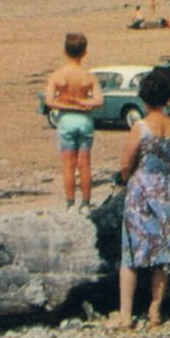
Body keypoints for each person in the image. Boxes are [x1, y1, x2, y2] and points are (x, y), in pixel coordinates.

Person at [114, 69, 170, 329]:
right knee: (162, 250)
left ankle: (125, 315)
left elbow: (126, 163)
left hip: (142, 188)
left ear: (144, 98)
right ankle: (155, 310)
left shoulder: (141, 127)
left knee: (133, 252)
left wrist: (124, 179)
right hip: (166, 188)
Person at [43, 32, 103, 214]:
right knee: (84, 164)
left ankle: (70, 203)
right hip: (84, 121)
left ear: (65, 51)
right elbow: (99, 101)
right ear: (84, 53)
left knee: (68, 164)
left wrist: (67, 103)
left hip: (67, 120)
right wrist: (83, 103)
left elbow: (49, 101)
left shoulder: (58, 75)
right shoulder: (88, 77)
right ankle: (85, 203)